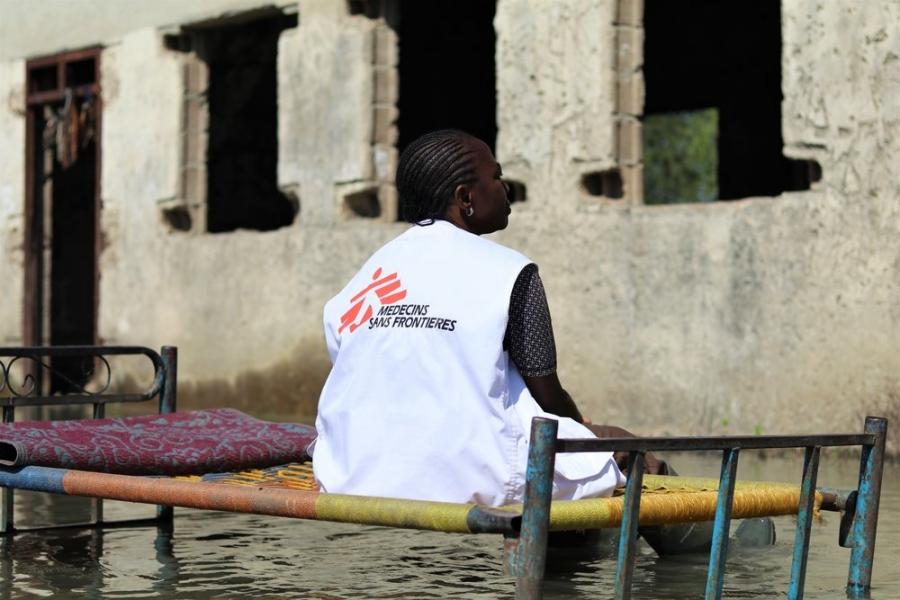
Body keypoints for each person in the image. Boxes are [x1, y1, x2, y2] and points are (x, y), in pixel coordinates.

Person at [311, 129, 649, 507]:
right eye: (496, 177)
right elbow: (548, 397)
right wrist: (582, 428)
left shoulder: (363, 281)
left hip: (348, 472)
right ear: (465, 198)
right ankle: (687, 552)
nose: (507, 190)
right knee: (629, 449)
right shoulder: (511, 273)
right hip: (472, 474)